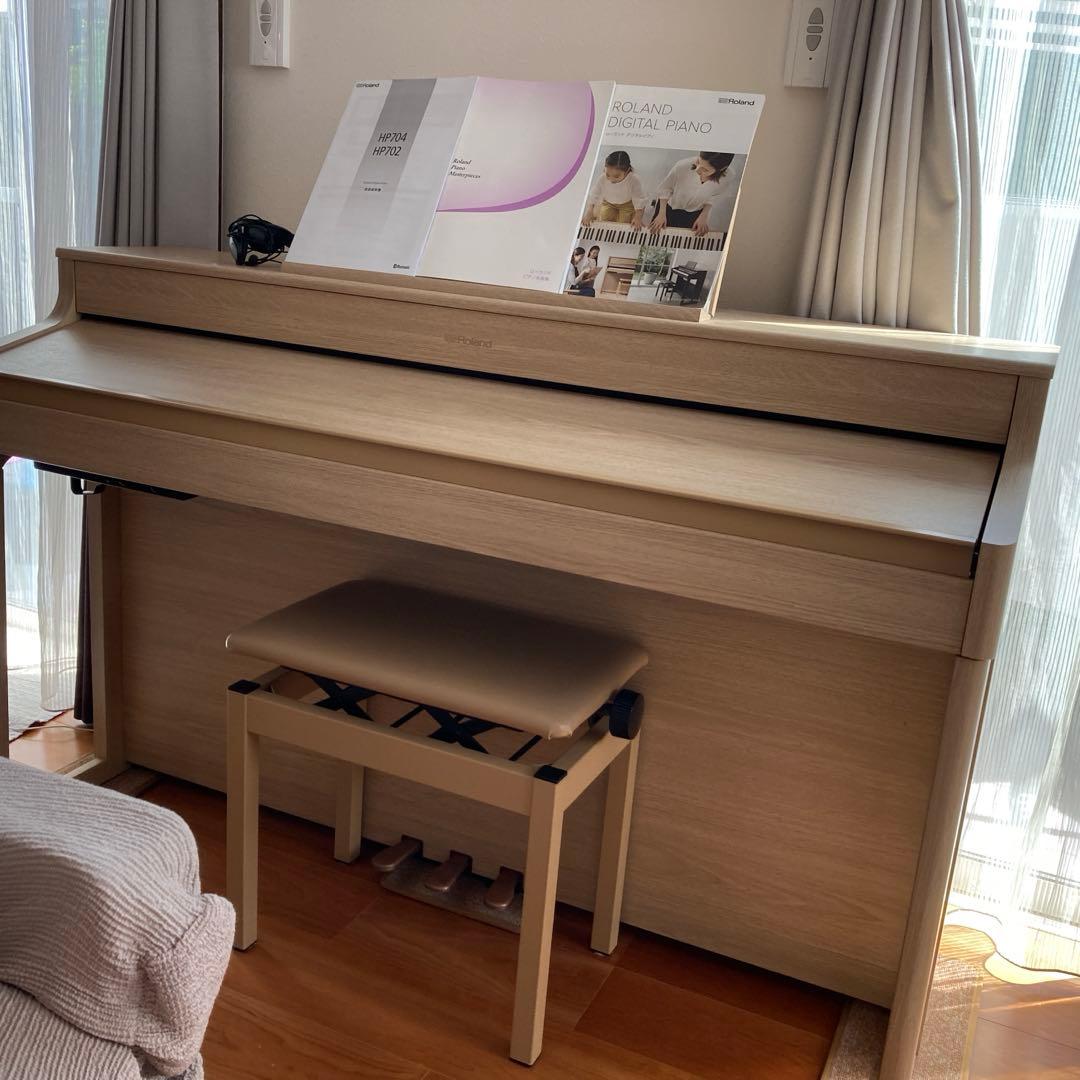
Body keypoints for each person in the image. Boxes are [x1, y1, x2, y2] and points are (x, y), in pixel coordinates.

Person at [648, 152, 736, 236]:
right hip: (667, 208)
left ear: (722, 169)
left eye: (705, 169)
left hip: (695, 213)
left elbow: (714, 196)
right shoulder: (682, 165)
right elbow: (665, 189)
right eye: (698, 162)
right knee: (656, 235)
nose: (697, 170)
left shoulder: (728, 176)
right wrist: (661, 213)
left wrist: (704, 216)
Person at [582, 151, 645, 230]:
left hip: (627, 204)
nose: (611, 179)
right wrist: (589, 212)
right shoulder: (602, 178)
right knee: (604, 221)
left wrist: (638, 216)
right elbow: (594, 194)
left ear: (627, 171)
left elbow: (639, 198)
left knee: (623, 225)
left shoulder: (634, 179)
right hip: (608, 203)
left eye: (616, 176)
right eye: (608, 175)